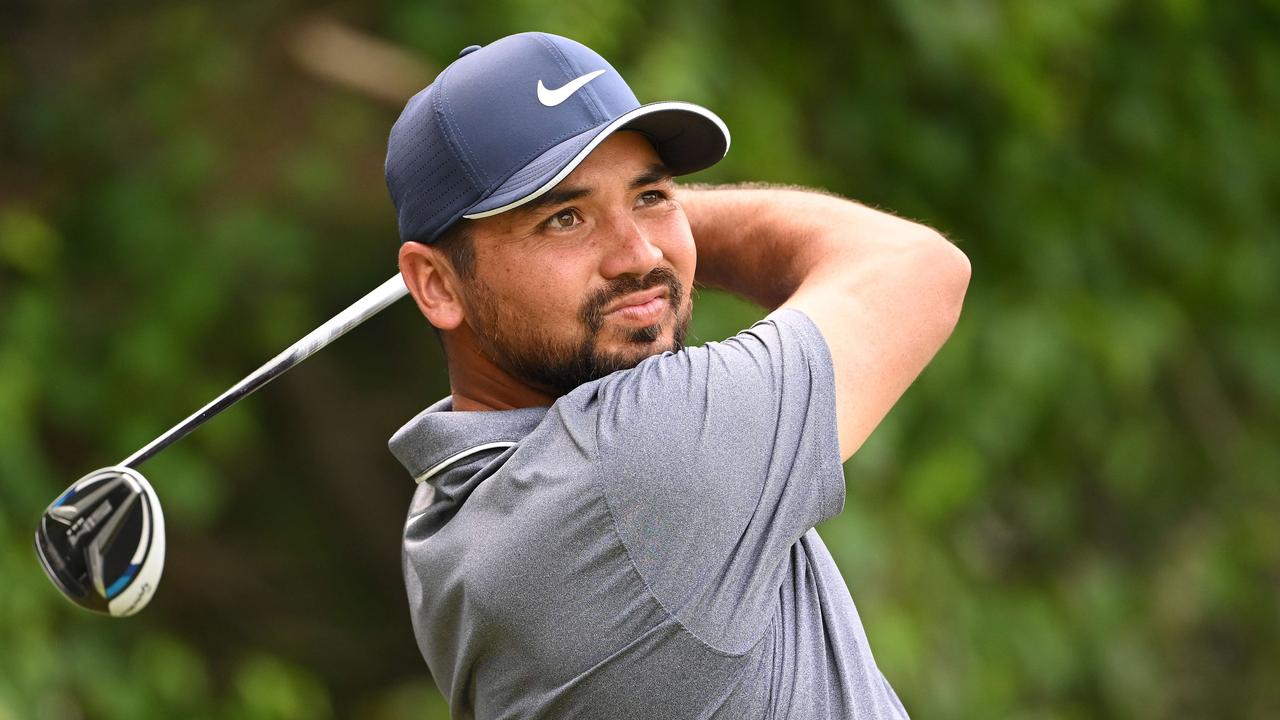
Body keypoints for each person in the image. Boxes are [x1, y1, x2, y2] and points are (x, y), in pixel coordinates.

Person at [384, 32, 969, 719]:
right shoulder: (634, 464)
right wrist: (657, 219)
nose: (636, 254)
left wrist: (620, 219)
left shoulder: (445, 507)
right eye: (564, 217)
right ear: (436, 285)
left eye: (652, 195)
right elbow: (918, 269)